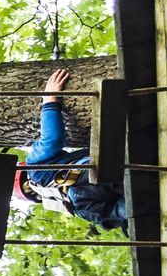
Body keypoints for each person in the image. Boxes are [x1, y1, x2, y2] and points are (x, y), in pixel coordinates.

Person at [14, 68, 128, 230]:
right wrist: (49, 101)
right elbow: (51, 140)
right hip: (86, 173)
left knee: (123, 209)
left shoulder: (75, 208)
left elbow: (124, 213)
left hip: (82, 202)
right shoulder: (34, 169)